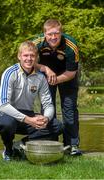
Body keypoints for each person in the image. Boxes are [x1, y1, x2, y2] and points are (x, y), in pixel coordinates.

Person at [0, 41, 63, 161]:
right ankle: (8, 150)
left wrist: (46, 118)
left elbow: (48, 104)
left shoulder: (40, 77)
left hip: (25, 114)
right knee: (8, 123)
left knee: (57, 126)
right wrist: (29, 120)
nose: (29, 59)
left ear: (36, 58)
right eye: (25, 55)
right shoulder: (10, 73)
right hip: (2, 113)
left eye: (32, 56)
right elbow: (3, 104)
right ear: (19, 56)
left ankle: (19, 145)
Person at [32, 19, 82, 156]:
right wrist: (45, 69)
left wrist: (55, 80)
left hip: (67, 76)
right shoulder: (36, 43)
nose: (53, 37)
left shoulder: (71, 46)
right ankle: (50, 142)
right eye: (50, 34)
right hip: (47, 76)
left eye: (57, 33)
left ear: (61, 33)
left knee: (69, 110)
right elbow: (28, 61)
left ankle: (72, 145)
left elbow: (72, 72)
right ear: (44, 34)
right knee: (48, 109)